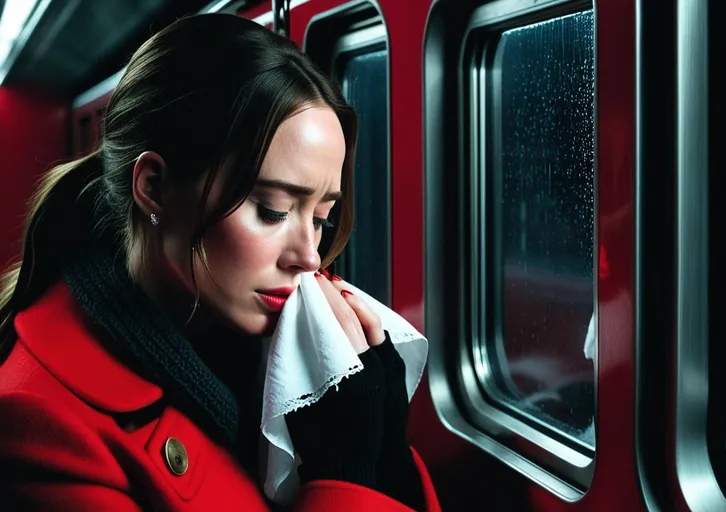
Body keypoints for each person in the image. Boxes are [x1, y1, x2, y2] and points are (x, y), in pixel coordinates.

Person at [0, 13, 440, 512]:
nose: (310, 255)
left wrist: (385, 455)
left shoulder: (275, 354)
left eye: (321, 217)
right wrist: (345, 475)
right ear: (155, 188)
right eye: (273, 211)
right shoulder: (37, 427)